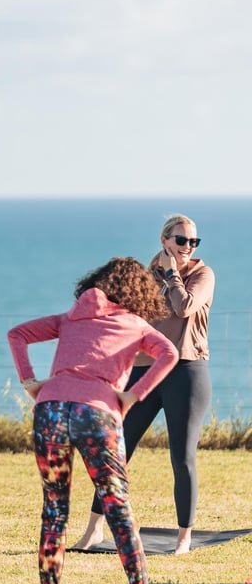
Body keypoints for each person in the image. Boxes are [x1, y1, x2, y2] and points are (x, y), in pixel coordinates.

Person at [7, 257, 179, 584]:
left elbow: (17, 334)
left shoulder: (70, 317)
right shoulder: (135, 324)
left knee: (55, 508)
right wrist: (133, 396)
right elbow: (170, 353)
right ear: (140, 293)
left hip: (50, 410)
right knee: (117, 505)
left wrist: (30, 383)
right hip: (96, 414)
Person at [74, 214, 214, 555]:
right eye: (181, 240)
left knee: (182, 457)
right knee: (115, 451)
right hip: (145, 371)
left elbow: (183, 307)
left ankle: (184, 538)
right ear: (165, 240)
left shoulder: (202, 274)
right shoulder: (148, 277)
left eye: (193, 241)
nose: (188, 247)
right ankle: (94, 529)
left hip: (186, 371)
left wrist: (172, 273)